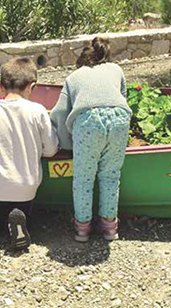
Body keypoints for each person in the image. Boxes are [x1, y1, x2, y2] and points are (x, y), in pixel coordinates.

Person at [0, 57, 59, 263]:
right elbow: (51, 150)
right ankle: (17, 228)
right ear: (32, 86)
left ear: (0, 86)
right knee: (21, 212)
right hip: (27, 187)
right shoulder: (38, 112)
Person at [50, 37, 131, 242]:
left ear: (81, 61)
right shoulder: (116, 70)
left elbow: (60, 112)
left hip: (88, 122)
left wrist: (68, 144)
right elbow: (122, 97)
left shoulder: (73, 77)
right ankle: (110, 228)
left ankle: (82, 229)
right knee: (111, 176)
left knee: (84, 179)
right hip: (120, 117)